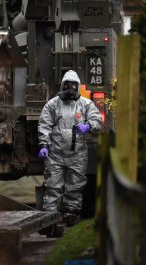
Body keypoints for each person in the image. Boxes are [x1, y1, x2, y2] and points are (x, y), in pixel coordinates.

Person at [37, 70, 102, 226]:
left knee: (75, 187)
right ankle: (49, 220)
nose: (70, 88)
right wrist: (44, 145)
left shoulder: (86, 104)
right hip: (56, 154)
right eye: (67, 85)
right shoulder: (52, 104)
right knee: (53, 187)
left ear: (78, 87)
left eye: (74, 85)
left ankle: (72, 216)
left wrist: (89, 126)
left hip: (77, 153)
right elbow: (44, 125)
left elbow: (97, 121)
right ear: (62, 85)